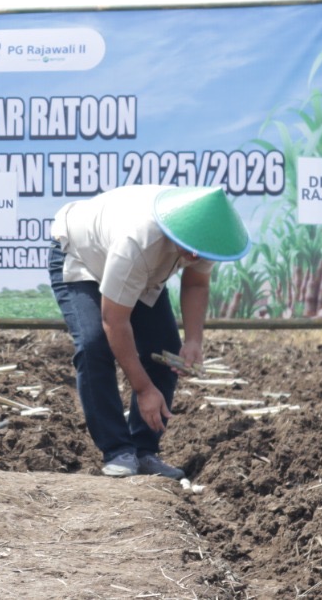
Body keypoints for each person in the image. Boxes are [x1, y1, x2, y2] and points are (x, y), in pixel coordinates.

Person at [49, 184, 249, 478]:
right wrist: (143, 389)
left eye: (200, 251)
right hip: (82, 258)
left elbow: (196, 284)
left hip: (140, 273)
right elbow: (114, 322)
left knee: (166, 350)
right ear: (177, 228)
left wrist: (193, 340)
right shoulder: (138, 240)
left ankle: (144, 451)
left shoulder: (206, 234)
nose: (194, 256)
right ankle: (117, 449)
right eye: (189, 248)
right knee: (94, 346)